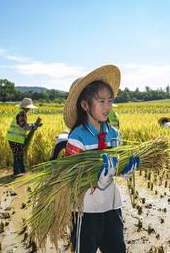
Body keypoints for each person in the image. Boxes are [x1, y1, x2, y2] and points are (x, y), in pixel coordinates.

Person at [63, 64, 140, 253]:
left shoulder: (114, 133)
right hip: (86, 211)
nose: (107, 107)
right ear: (85, 105)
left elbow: (118, 166)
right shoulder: (77, 138)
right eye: (101, 101)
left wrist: (126, 171)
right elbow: (72, 179)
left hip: (112, 207)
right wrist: (97, 179)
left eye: (110, 101)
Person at [5, 98, 42, 177]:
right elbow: (24, 126)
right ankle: (17, 173)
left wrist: (34, 125)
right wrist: (34, 126)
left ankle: (21, 171)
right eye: (29, 108)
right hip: (15, 139)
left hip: (14, 139)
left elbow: (23, 124)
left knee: (19, 155)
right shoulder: (22, 113)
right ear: (27, 107)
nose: (29, 109)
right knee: (17, 156)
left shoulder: (20, 112)